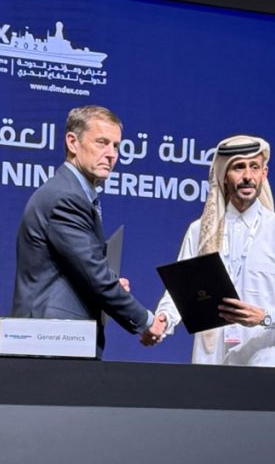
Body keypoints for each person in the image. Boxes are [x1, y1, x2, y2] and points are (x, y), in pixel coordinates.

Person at [12, 105, 166, 355]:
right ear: (72, 142)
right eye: (102, 143)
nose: (111, 154)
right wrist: (147, 321)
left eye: (116, 146)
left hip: (62, 338)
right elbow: (94, 274)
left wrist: (109, 284)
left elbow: (81, 270)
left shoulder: (74, 193)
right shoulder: (65, 197)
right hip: (50, 339)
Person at [154, 134, 275, 366]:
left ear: (264, 174)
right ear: (223, 176)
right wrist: (163, 320)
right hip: (211, 359)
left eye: (254, 167)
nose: (248, 176)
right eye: (239, 167)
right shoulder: (200, 231)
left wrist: (265, 316)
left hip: (263, 360)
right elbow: (180, 291)